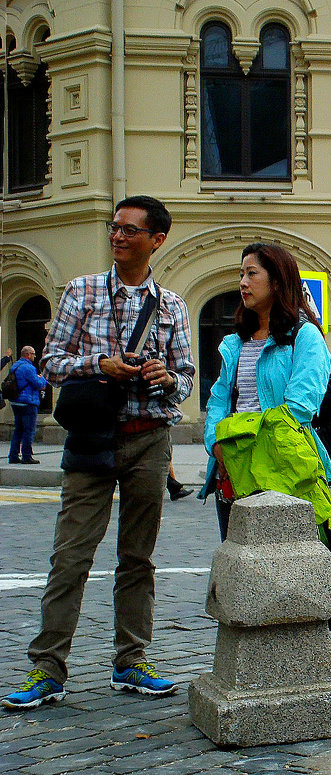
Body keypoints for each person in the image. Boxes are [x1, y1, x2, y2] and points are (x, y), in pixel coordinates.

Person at [3, 196, 195, 710]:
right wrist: (100, 364)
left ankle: (131, 661)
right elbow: (53, 365)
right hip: (90, 437)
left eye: (130, 230)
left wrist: (163, 377)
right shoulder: (82, 291)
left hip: (149, 437)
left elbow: (186, 380)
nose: (118, 237)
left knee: (138, 557)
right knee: (71, 555)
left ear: (157, 239)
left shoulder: (173, 305)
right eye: (115, 228)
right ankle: (47, 668)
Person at [200, 243, 331, 618]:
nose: (243, 282)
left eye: (252, 274)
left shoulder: (305, 336)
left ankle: (295, 653)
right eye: (241, 273)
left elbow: (299, 407)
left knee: (292, 572)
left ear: (278, 282)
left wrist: (236, 434)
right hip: (231, 467)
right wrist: (216, 441)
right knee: (242, 569)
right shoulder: (235, 343)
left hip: (284, 466)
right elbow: (218, 401)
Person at [7, 345, 47, 465]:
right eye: (34, 354)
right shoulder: (28, 368)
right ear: (28, 354)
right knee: (29, 430)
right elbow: (38, 384)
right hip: (28, 402)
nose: (35, 356)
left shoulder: (15, 366)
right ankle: (26, 456)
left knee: (18, 429)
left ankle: (13, 455)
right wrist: (43, 378)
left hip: (15, 401)